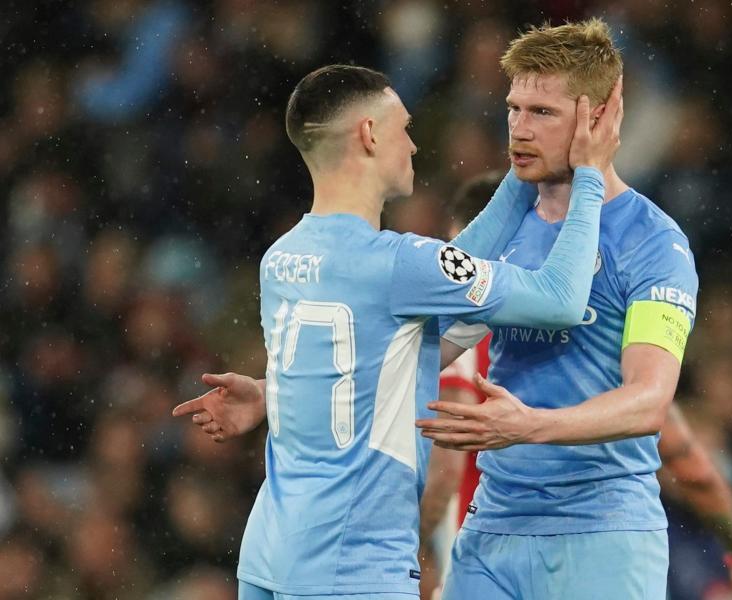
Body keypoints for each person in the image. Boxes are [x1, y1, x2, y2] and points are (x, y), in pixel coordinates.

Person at [169, 63, 623, 599]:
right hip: (354, 566)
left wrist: (275, 394)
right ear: (368, 134)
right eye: (404, 129)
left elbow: (363, 362)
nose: (412, 146)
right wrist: (590, 174)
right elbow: (562, 300)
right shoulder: (398, 264)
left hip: (271, 554)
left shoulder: (282, 258)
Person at [416, 173, 732, 600]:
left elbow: (442, 470)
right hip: (555, 543)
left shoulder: (457, 331)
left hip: (487, 545)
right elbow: (689, 462)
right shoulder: (601, 355)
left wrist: (406, 558)